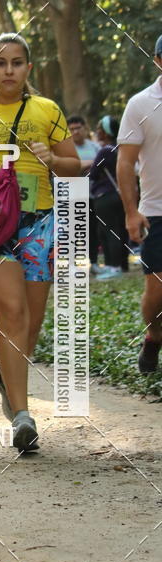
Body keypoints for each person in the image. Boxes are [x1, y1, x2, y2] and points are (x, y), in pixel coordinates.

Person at [0, 33, 80, 452]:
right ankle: (23, 417)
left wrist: (53, 159)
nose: (9, 70)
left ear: (28, 68)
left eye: (17, 62)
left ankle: (7, 379)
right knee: (11, 312)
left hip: (39, 223)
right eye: (1, 62)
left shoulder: (47, 110)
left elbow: (76, 167)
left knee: (29, 322)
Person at [117, 34, 162, 373]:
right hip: (156, 210)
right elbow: (124, 162)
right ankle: (153, 335)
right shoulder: (142, 104)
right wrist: (131, 212)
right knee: (157, 289)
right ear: (158, 60)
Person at [89, 116, 128, 281]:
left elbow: (93, 173)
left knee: (109, 232)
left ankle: (113, 267)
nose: (97, 131)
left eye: (99, 128)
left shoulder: (105, 151)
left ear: (106, 132)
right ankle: (122, 265)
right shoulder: (121, 149)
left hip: (104, 197)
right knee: (120, 230)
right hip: (120, 195)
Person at [68, 114, 101, 274]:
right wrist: (88, 164)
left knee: (92, 231)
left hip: (91, 195)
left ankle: (93, 262)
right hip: (71, 196)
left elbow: (103, 163)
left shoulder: (94, 147)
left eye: (78, 128)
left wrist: (81, 165)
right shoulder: (66, 148)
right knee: (73, 231)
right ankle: (73, 265)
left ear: (85, 128)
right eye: (72, 129)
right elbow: (69, 168)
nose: (75, 132)